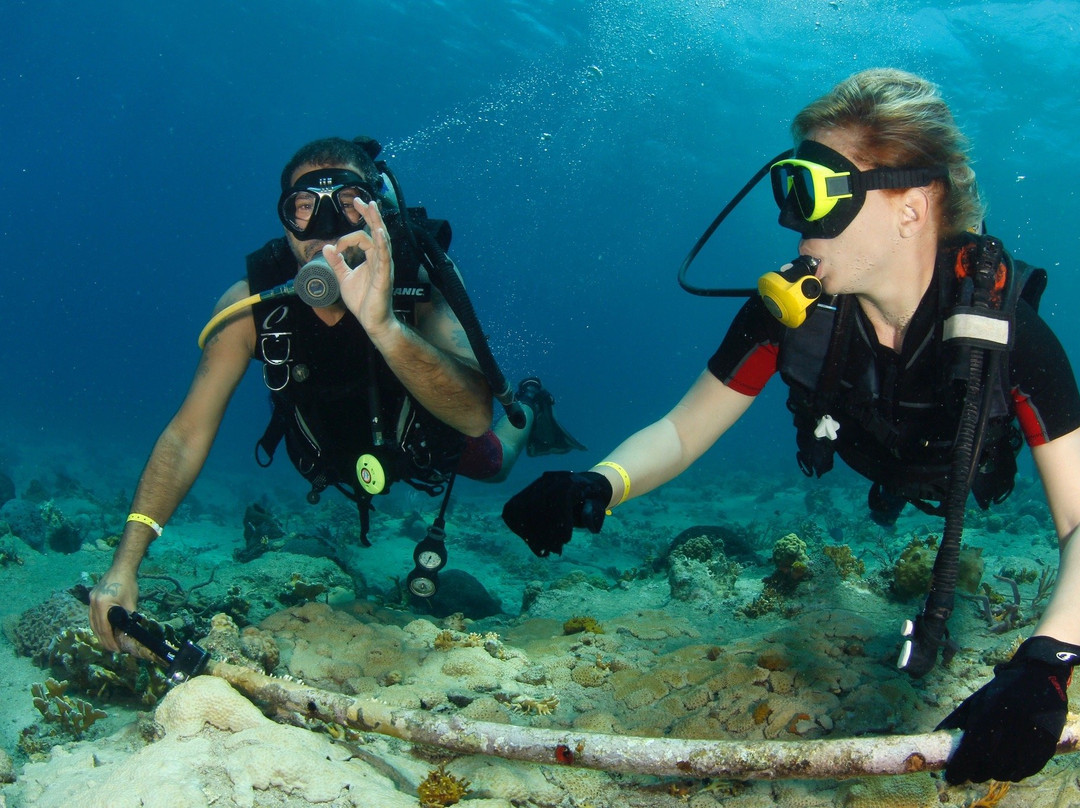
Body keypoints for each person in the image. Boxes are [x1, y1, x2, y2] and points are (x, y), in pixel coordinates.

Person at [502, 69, 1080, 785]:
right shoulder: (794, 314)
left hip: (963, 468)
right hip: (867, 450)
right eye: (786, 190)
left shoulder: (1006, 334)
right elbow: (684, 432)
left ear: (912, 207)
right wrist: (598, 483)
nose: (792, 222)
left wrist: (1048, 663)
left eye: (814, 193)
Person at [91, 135, 582, 651]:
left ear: (378, 213)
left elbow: (475, 415)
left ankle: (529, 401)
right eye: (304, 209)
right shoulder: (249, 305)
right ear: (284, 221)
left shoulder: (420, 279)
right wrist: (124, 565)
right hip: (330, 448)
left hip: (425, 428)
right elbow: (188, 432)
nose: (324, 234)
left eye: (347, 206)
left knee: (494, 461)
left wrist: (386, 326)